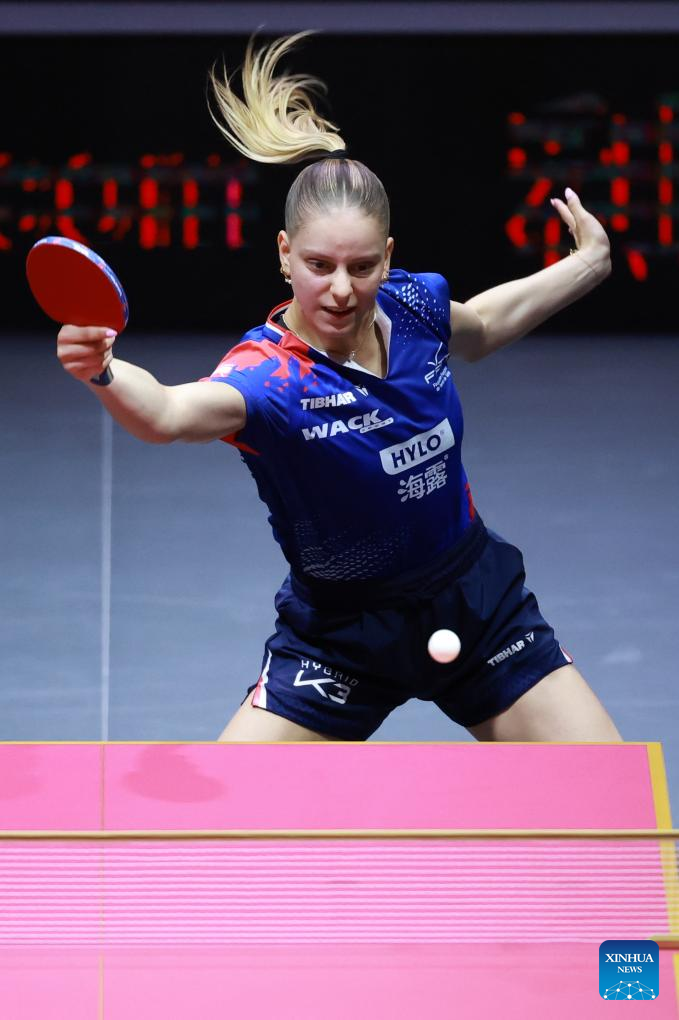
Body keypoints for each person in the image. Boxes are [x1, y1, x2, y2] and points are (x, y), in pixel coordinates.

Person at [57, 33, 621, 744]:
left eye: (361, 266)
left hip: (476, 604)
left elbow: (481, 325)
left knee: (605, 790)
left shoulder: (412, 306)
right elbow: (167, 413)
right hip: (340, 637)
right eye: (319, 265)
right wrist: (104, 370)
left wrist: (588, 264)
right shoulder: (270, 377)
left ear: (388, 258)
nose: (341, 289)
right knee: (231, 812)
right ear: (285, 255)